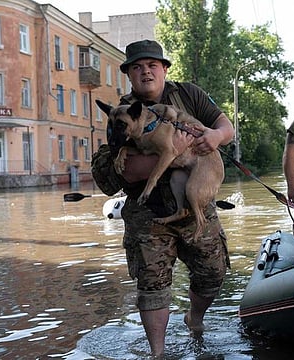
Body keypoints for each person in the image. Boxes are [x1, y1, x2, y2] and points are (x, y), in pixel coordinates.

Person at [110, 39, 234, 358]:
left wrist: (215, 136)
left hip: (196, 208)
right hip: (147, 214)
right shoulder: (121, 113)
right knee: (152, 286)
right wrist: (172, 152)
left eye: (152, 65)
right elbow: (118, 172)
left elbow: (225, 126)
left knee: (213, 273)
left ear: (164, 69)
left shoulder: (188, 94)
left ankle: (195, 317)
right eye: (137, 67)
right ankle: (158, 353)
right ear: (129, 75)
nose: (145, 72)